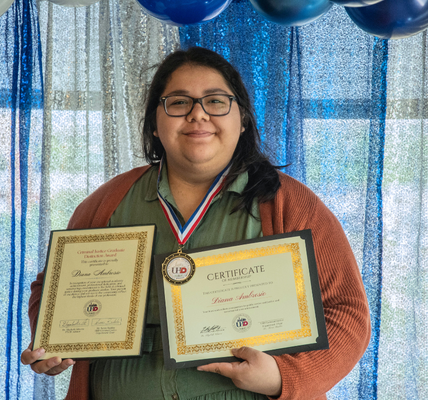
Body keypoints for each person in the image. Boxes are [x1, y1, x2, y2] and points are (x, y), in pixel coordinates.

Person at [21, 46, 370, 400]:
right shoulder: (107, 203)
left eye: (216, 101)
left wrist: (283, 377)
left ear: (243, 119)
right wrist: (51, 342)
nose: (197, 115)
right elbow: (51, 287)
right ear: (155, 124)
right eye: (178, 102)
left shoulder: (289, 204)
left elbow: (347, 312)